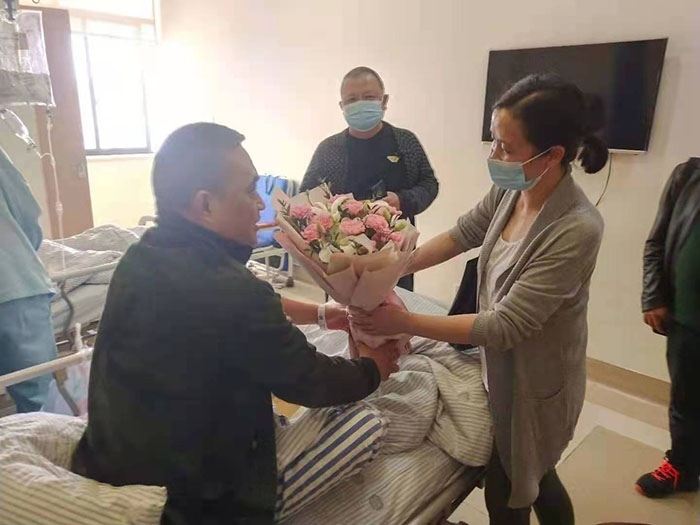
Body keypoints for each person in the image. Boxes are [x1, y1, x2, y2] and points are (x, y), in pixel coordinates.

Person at [71, 123, 400, 525]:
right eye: (249, 191)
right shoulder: (230, 291)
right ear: (205, 204)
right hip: (190, 503)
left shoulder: (142, 257)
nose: (260, 205)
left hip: (113, 463)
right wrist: (372, 368)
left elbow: (229, 312)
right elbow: (311, 381)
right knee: (368, 423)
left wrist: (320, 314)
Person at [353, 73, 608, 524]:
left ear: (553, 155)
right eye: (494, 141)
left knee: (513, 487)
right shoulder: (513, 188)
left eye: (506, 148)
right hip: (498, 365)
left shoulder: (576, 227)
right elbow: (462, 234)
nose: (494, 157)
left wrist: (403, 322)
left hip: (537, 377)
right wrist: (392, 269)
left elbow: (504, 325)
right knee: (535, 474)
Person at [300, 66, 439, 291]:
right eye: (352, 99)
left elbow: (429, 184)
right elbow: (306, 196)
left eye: (369, 97)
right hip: (341, 254)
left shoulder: (405, 142)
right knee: (342, 309)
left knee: (395, 307)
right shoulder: (328, 150)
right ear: (342, 106)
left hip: (395, 253)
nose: (360, 104)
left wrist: (403, 200)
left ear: (384, 101)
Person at [635, 157, 700, 498]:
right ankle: (682, 469)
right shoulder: (688, 176)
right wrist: (652, 296)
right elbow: (656, 243)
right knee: (685, 400)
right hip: (687, 320)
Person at [0, 147, 56, 413]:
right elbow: (26, 214)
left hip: (15, 284)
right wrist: (21, 253)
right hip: (15, 284)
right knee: (39, 405)